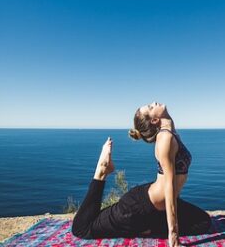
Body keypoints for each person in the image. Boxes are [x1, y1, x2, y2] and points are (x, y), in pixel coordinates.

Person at [72, 102, 211, 247]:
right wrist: (173, 236)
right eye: (150, 107)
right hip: (137, 207)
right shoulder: (165, 139)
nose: (154, 103)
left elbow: (168, 123)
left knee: (203, 222)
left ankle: (147, 226)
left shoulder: (170, 131)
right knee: (82, 229)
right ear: (155, 120)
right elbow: (169, 188)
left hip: (156, 205)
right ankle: (101, 171)